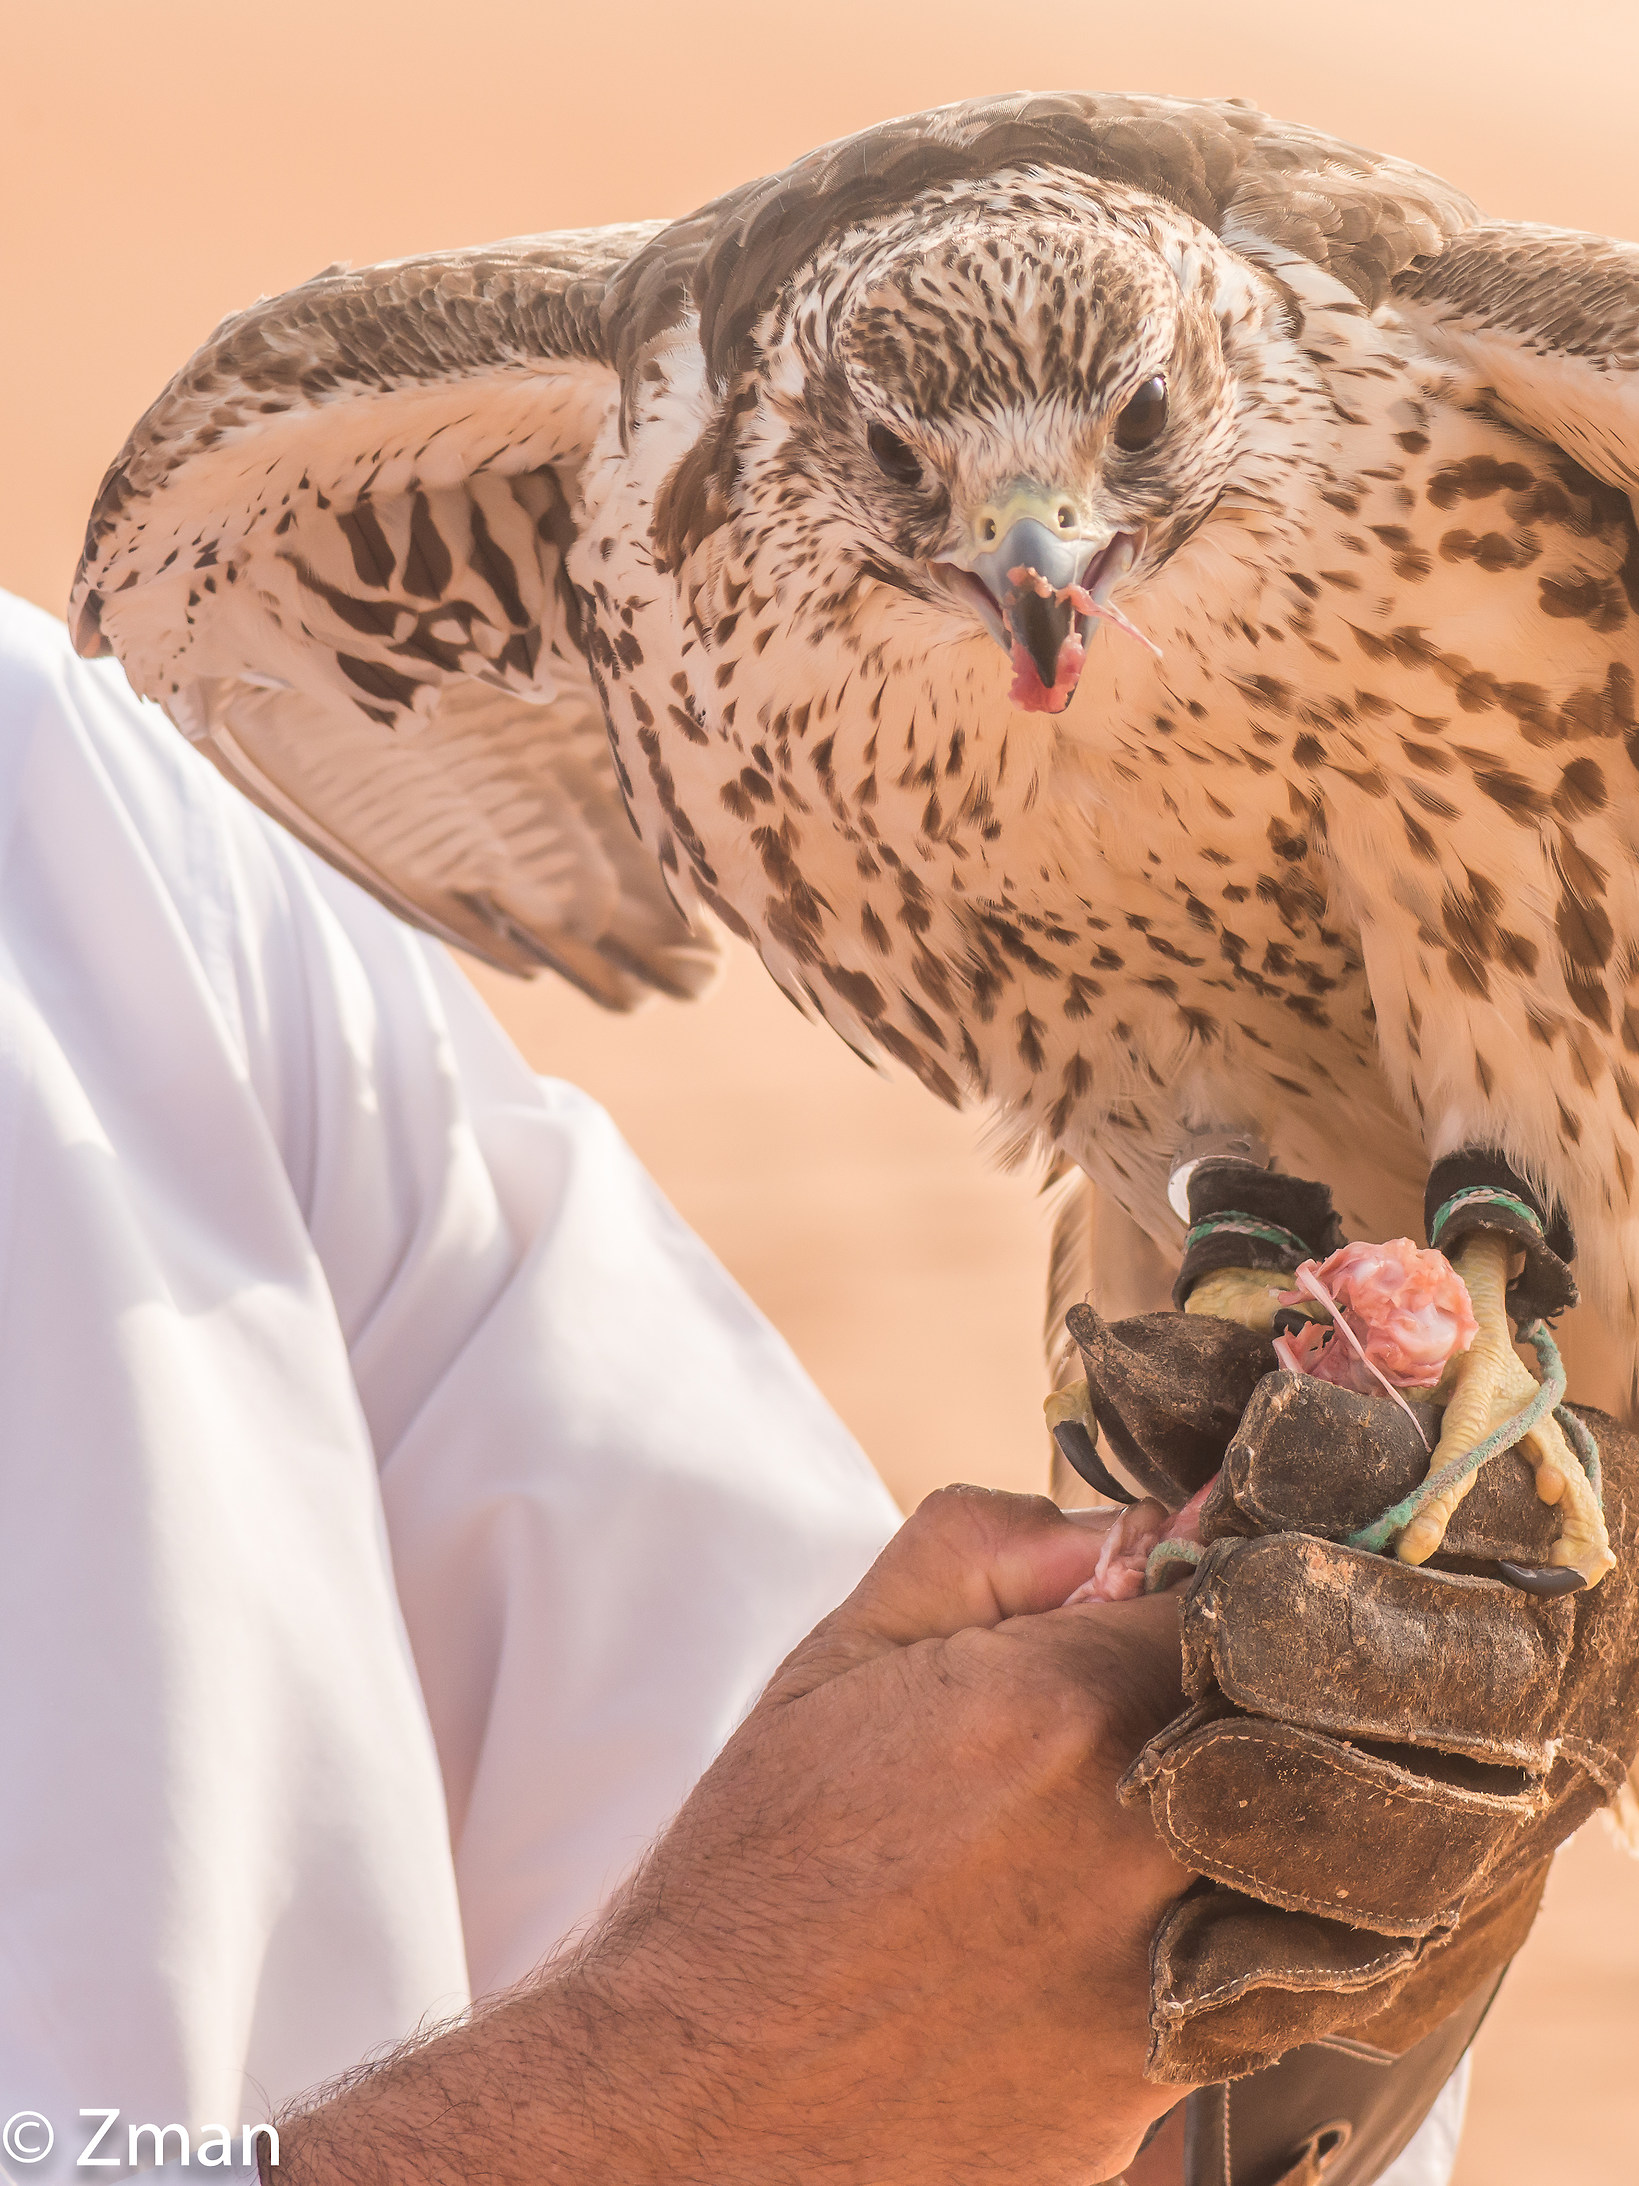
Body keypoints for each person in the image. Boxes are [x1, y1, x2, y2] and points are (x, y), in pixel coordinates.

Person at [0, 595, 1468, 2184]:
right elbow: (775, 2035)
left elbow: (818, 1844)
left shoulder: (66, 823)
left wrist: (1229, 1929)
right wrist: (673, 2120)